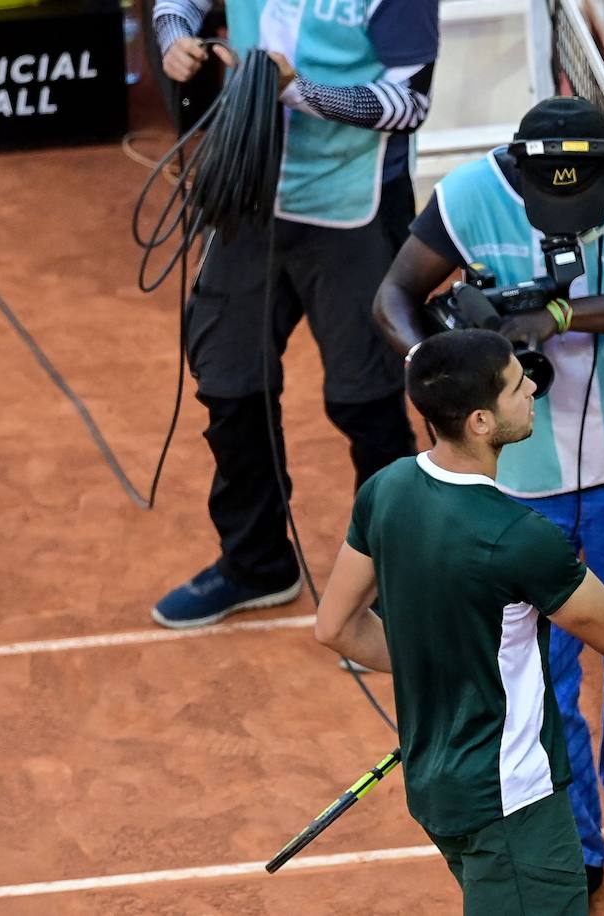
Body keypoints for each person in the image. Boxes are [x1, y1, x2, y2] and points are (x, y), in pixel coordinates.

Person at [372, 96, 604, 886]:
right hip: (518, 490)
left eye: (579, 198)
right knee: (537, 672)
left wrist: (555, 314)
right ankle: (576, 840)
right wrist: (448, 370)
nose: (566, 210)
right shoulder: (466, 195)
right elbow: (390, 299)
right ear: (517, 175)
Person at [314, 329, 604, 914]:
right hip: (512, 807)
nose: (534, 387)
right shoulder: (516, 537)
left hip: (439, 785)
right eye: (518, 385)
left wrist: (447, 677)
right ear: (481, 422)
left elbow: (336, 626)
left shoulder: (387, 490)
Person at [148, 0, 439, 628]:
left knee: (367, 402)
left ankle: (404, 577)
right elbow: (178, 4)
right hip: (247, 195)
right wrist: (176, 40)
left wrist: (297, 91)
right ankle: (257, 564)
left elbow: (410, 103)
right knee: (229, 384)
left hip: (354, 207)